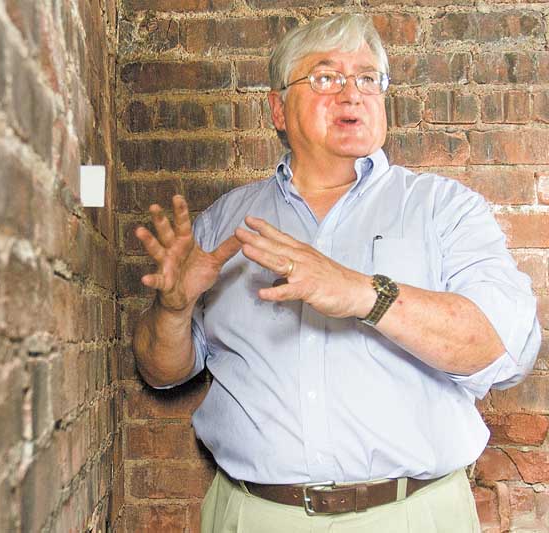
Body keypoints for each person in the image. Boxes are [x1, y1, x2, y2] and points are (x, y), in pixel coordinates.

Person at [131, 13, 541, 532]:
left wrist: (362, 292)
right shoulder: (223, 225)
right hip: (257, 516)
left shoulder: (444, 209)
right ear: (278, 108)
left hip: (415, 515)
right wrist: (172, 309)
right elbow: (161, 372)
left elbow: (505, 350)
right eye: (326, 77)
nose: (353, 95)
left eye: (368, 79)